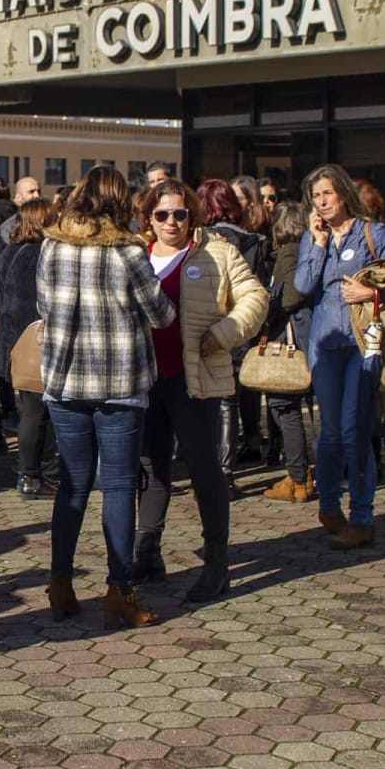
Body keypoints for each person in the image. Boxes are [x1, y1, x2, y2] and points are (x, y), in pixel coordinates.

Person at [39, 165, 176, 629]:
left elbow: (43, 306)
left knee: (73, 484)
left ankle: (60, 582)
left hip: (64, 379)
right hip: (119, 380)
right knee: (118, 485)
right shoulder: (128, 252)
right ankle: (119, 590)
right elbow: (159, 314)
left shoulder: (51, 245)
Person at [134, 179, 265, 602]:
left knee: (205, 470)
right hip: (145, 380)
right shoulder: (135, 255)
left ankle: (217, 565)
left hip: (195, 380)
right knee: (153, 468)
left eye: (179, 213)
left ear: (192, 214)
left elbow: (255, 297)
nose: (171, 222)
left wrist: (225, 333)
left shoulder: (216, 251)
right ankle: (147, 554)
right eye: (162, 214)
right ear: (149, 218)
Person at [296, 165, 385, 548]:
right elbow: (303, 285)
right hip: (325, 343)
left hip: (364, 341)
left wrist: (371, 295)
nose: (322, 202)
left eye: (327, 193)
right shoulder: (314, 239)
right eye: (315, 197)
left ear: (343, 193)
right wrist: (317, 245)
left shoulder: (372, 233)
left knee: (353, 428)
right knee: (327, 432)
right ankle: (328, 504)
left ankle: (362, 515)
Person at [198, 180, 270, 477]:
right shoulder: (255, 241)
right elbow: (261, 288)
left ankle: (209, 466)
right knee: (232, 400)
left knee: (211, 402)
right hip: (239, 329)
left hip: (205, 329)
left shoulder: (199, 243)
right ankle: (225, 473)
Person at [0, 199, 57, 500]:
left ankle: (30, 471)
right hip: (38, 340)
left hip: (13, 341)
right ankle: (32, 474)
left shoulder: (8, 252)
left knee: (30, 409)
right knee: (38, 411)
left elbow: (1, 295)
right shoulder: (46, 253)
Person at [260, 204, 314, 501]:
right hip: (305, 339)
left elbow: (291, 295)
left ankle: (297, 477)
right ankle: (300, 473)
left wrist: (270, 307)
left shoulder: (289, 252)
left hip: (289, 341)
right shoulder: (306, 249)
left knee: (284, 407)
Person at [0, 176, 42, 242]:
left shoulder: (50, 220)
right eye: (31, 192)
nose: (37, 195)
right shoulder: (9, 227)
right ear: (19, 197)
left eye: (38, 191)